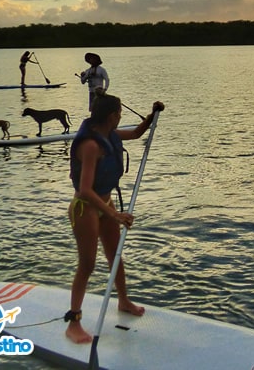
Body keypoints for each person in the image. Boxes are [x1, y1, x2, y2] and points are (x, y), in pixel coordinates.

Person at [64, 92, 165, 344]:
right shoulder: (90, 145)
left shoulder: (110, 135)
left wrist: (152, 117)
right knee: (87, 263)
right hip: (85, 208)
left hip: (106, 204)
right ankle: (74, 321)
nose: (121, 117)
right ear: (112, 116)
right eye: (119, 113)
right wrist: (115, 214)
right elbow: (86, 190)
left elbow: (136, 134)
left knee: (115, 255)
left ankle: (123, 300)